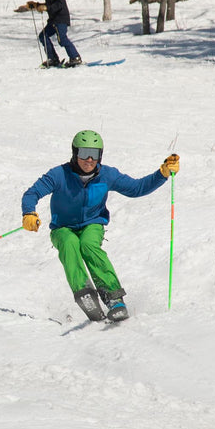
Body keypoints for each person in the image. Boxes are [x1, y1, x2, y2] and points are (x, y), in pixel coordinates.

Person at [20, 130, 180, 322]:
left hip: (92, 223)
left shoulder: (107, 175)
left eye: (94, 154)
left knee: (88, 245)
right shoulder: (59, 174)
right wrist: (29, 212)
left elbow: (137, 188)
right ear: (74, 153)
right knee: (69, 244)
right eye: (84, 153)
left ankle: (114, 298)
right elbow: (32, 193)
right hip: (62, 227)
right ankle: (84, 293)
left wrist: (162, 174)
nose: (89, 159)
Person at [26, 0, 81, 68]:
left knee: (62, 39)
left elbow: (59, 4)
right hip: (53, 20)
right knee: (43, 36)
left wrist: (46, 8)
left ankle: (75, 57)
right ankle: (53, 59)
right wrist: (37, 5)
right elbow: (50, 4)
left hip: (60, 18)